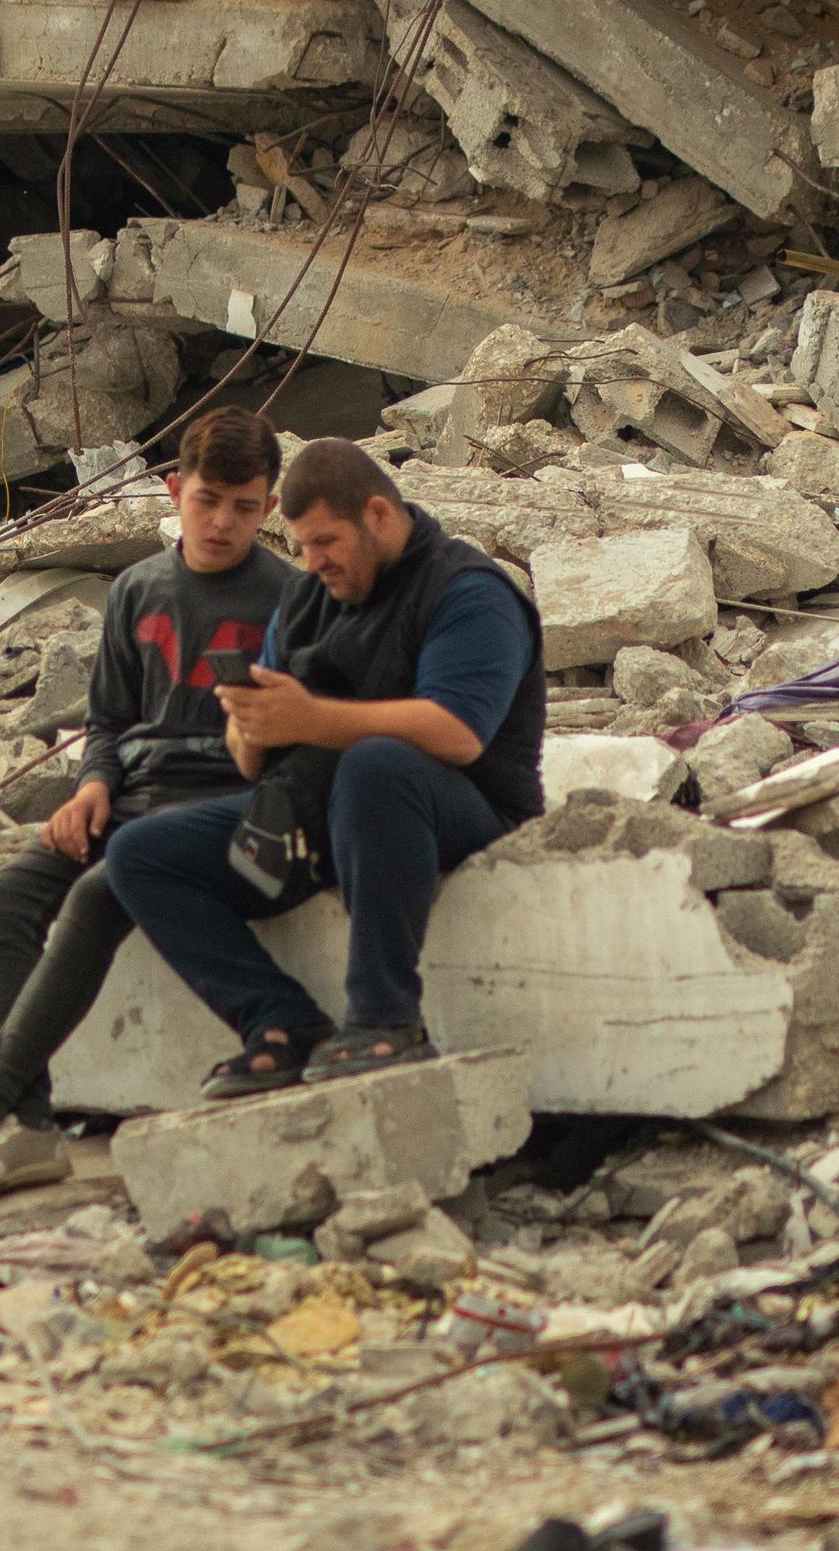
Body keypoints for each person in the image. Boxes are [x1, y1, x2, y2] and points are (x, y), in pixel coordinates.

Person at [0, 408, 288, 1197]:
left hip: (217, 812)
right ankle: (32, 1130)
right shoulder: (138, 590)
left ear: (269, 507)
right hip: (129, 800)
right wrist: (92, 786)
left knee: (104, 892)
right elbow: (109, 720)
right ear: (174, 491)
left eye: (244, 506)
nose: (223, 522)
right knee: (3, 898)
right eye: (208, 500)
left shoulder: (288, 600)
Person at [102, 437, 545, 1096]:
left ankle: (385, 1019)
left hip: (458, 809)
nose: (313, 562)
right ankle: (279, 1023)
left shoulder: (468, 591)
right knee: (141, 852)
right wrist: (254, 724)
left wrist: (312, 720)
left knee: (377, 764)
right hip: (323, 814)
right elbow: (250, 762)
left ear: (377, 515)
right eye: (302, 546)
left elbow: (457, 734)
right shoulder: (310, 595)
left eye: (327, 542)